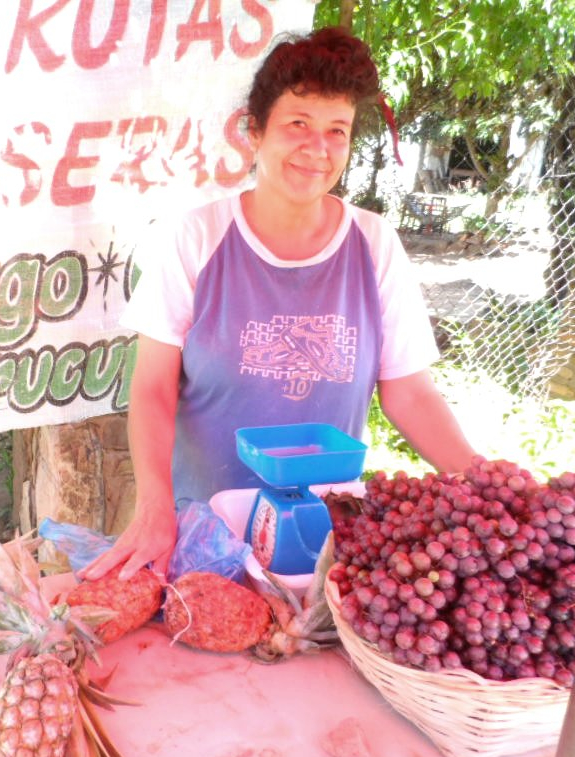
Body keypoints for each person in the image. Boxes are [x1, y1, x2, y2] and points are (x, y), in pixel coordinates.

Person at [80, 26, 476, 582]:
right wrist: (154, 510)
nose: (318, 149)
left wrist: (486, 485)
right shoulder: (196, 238)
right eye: (298, 125)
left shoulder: (374, 243)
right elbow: (152, 387)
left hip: (326, 548)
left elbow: (409, 392)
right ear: (254, 132)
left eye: (336, 130)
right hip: (199, 541)